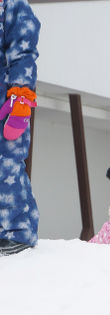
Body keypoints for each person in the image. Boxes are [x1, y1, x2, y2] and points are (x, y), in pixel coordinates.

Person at [0, 0, 41, 256]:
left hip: (8, 101)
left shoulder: (11, 5)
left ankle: (18, 230)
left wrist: (21, 96)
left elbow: (23, 50)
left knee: (7, 165)